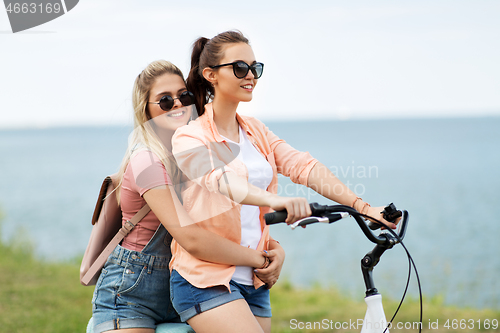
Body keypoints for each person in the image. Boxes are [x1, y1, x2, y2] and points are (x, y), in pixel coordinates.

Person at [170, 31, 399, 333]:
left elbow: (302, 166)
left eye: (255, 67)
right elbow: (220, 180)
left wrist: (364, 207)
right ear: (210, 74)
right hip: (206, 280)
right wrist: (275, 200)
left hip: (255, 277)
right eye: (240, 67)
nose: (250, 75)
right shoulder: (189, 136)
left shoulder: (255, 131)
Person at [91, 60, 283, 333]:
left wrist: (275, 249)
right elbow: (191, 237)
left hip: (186, 282)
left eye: (184, 96)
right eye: (165, 101)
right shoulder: (146, 160)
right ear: (146, 110)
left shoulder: (196, 154)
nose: (178, 104)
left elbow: (231, 220)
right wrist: (258, 260)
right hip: (131, 294)